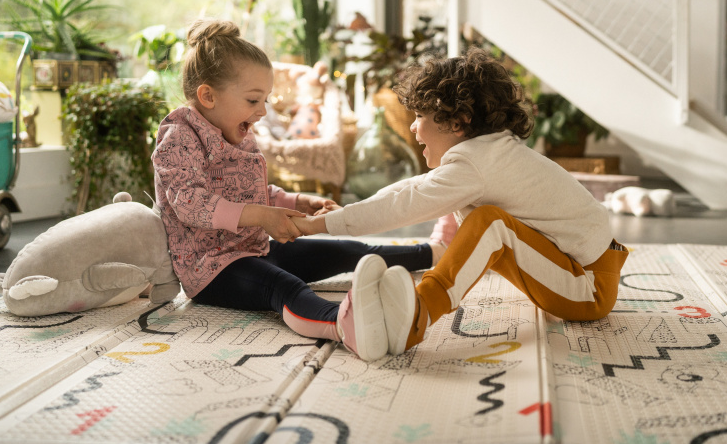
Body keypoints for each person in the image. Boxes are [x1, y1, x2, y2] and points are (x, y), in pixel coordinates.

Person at [295, 47, 629, 359]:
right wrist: (344, 215)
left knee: (490, 223)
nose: (413, 128)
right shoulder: (485, 155)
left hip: (588, 288)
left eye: (419, 116)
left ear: (457, 123)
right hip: (579, 272)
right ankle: (403, 304)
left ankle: (416, 318)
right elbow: (411, 189)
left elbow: (406, 204)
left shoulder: (476, 164)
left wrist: (321, 226)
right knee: (483, 217)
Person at [151, 19, 436, 361]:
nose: (263, 111)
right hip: (211, 270)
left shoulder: (237, 130)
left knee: (345, 250)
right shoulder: (179, 137)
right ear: (208, 96)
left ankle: (432, 254)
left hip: (251, 249)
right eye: (254, 100)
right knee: (283, 287)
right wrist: (260, 215)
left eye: (266, 100)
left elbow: (250, 192)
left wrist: (297, 201)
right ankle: (347, 326)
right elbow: (189, 202)